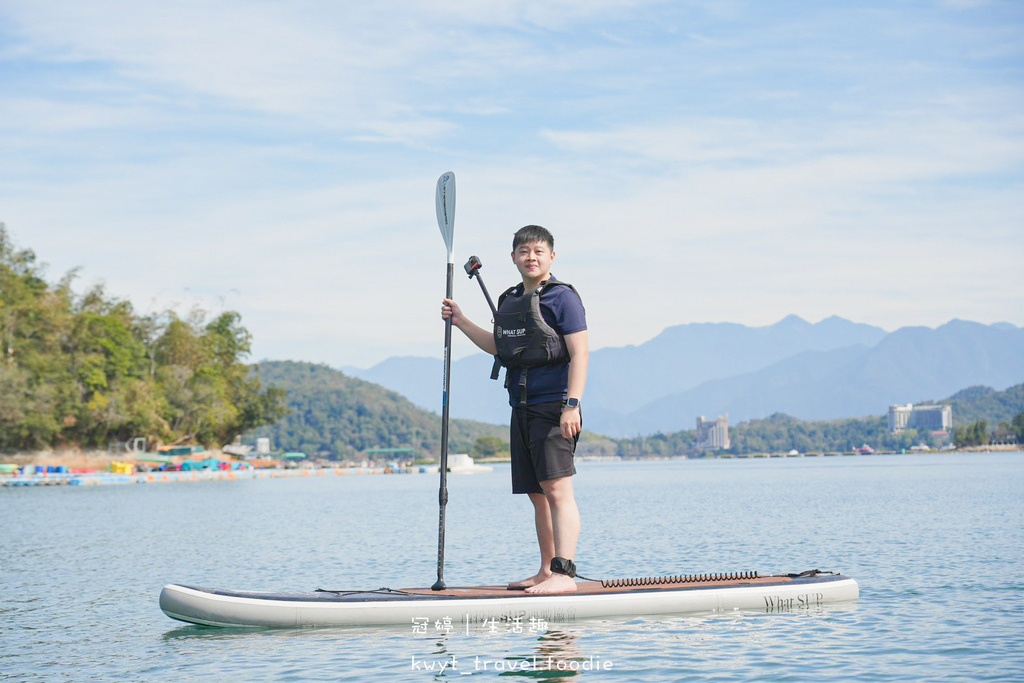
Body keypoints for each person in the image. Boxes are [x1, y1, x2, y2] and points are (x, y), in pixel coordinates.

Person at [441, 225, 589, 595]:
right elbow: (499, 348)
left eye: (539, 251)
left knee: (558, 491)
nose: (531, 257)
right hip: (520, 405)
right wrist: (460, 321)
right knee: (537, 494)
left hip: (554, 406)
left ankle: (564, 575)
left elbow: (580, 353)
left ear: (551, 256)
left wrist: (572, 404)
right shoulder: (509, 301)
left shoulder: (563, 299)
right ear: (513, 258)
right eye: (524, 251)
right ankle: (545, 570)